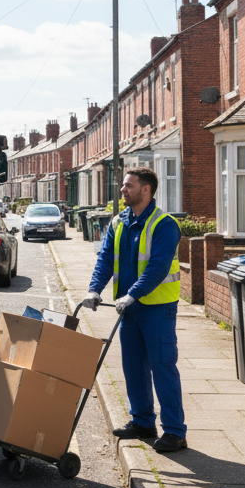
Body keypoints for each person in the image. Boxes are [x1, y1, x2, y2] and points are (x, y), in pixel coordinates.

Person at [80, 167, 187, 453]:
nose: (123, 190)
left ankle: (175, 431)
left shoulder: (164, 224)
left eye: (128, 186)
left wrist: (133, 294)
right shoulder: (119, 222)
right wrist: (94, 289)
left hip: (157, 309)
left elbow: (158, 266)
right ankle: (142, 422)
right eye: (123, 186)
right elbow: (105, 259)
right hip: (129, 310)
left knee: (163, 367)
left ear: (146, 190)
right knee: (134, 368)